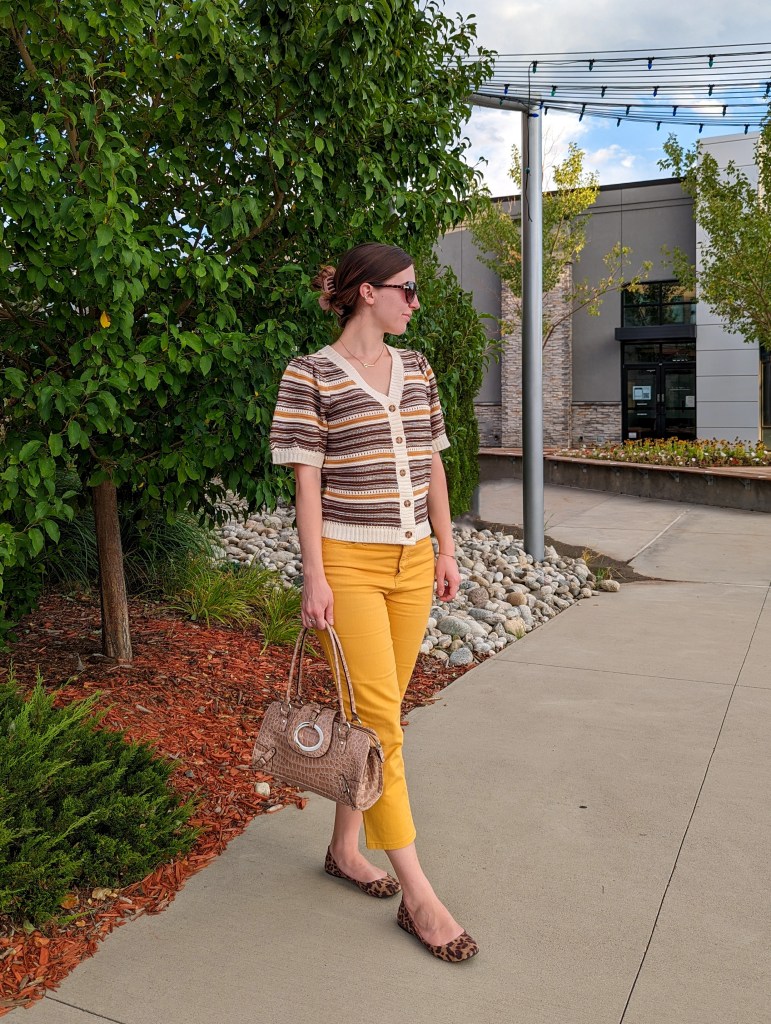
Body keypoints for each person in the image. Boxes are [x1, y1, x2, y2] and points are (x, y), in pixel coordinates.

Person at [269, 242, 478, 962]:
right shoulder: (309, 375)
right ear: (365, 292)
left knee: (374, 716)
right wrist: (316, 576)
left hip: (412, 560)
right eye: (407, 291)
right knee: (382, 719)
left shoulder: (415, 368)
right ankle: (418, 895)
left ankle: (342, 848)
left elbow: (432, 463)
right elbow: (306, 485)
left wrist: (446, 548)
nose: (415, 304)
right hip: (350, 565)